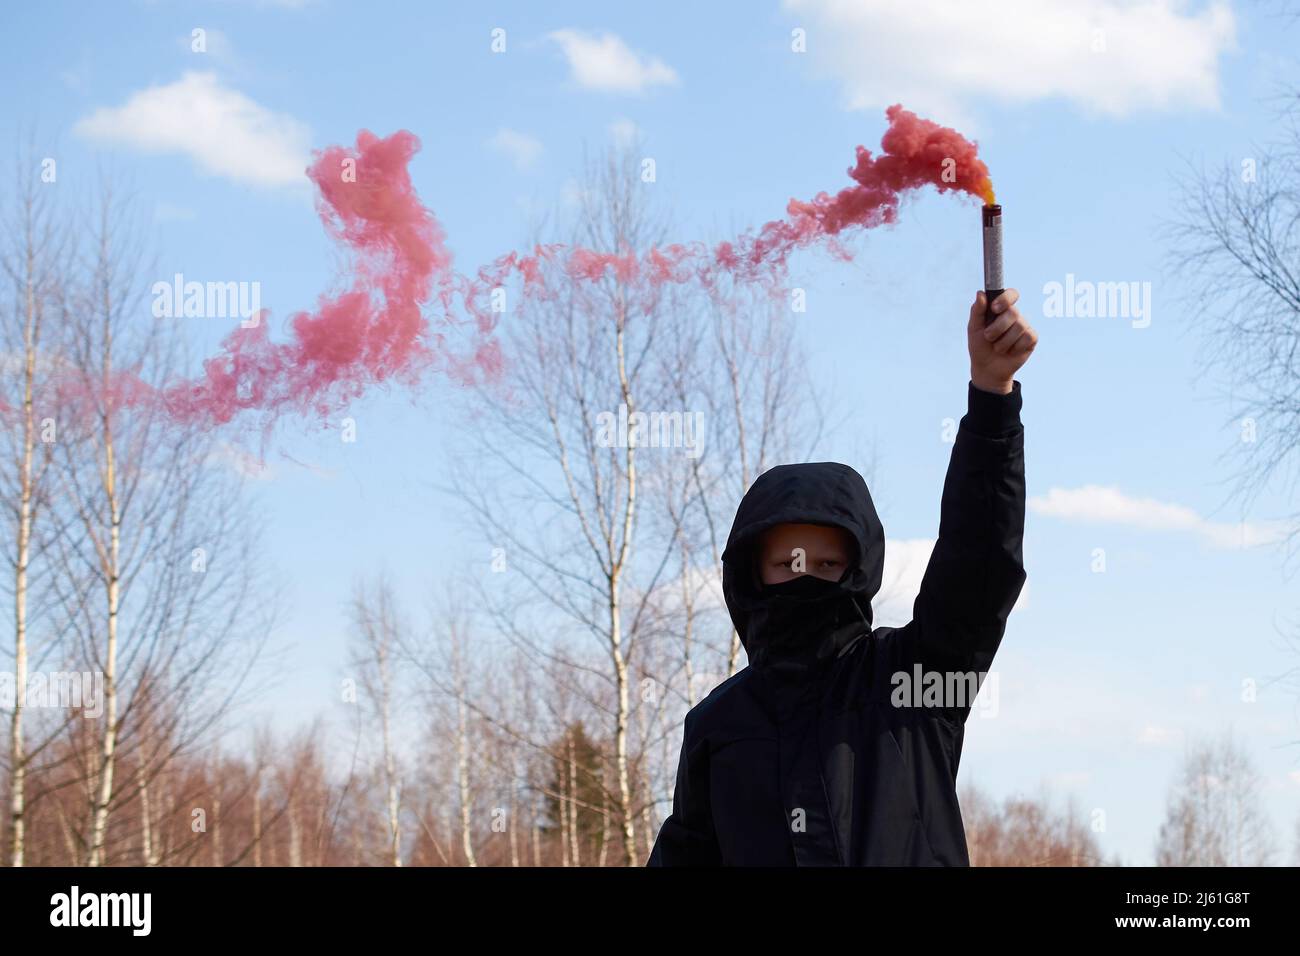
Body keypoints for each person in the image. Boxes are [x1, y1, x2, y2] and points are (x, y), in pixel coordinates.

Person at [646, 289, 1037, 866]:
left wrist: (992, 396)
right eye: (787, 564)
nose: (806, 579)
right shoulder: (719, 723)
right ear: (752, 575)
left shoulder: (913, 681)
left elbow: (976, 564)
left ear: (857, 570)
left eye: (826, 565)